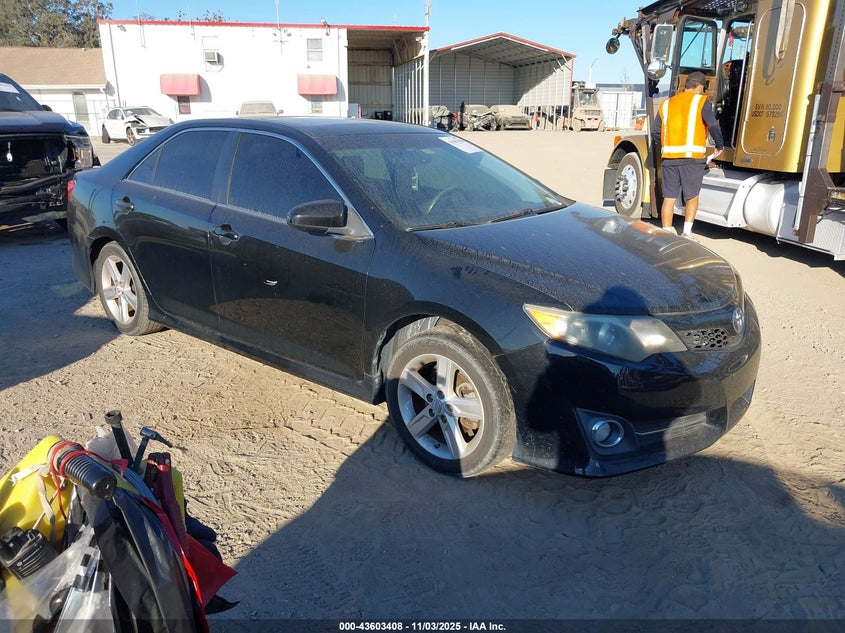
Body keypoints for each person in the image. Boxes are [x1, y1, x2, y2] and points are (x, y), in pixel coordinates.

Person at [651, 71, 724, 239]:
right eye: (702, 88)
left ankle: (666, 231)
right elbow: (712, 124)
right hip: (692, 159)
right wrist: (719, 145)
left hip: (669, 158)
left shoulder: (667, 104)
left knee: (669, 197)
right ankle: (687, 232)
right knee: (692, 196)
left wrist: (670, 143)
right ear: (699, 87)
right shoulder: (701, 101)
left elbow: (656, 132)